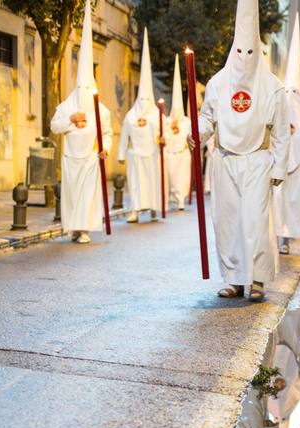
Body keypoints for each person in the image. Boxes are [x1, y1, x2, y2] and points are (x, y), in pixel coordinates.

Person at [190, 0, 290, 301]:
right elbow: (207, 118)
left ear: (256, 52)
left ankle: (257, 280)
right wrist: (197, 134)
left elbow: (282, 131)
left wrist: (279, 168)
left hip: (259, 161)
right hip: (225, 160)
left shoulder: (273, 87)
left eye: (250, 52)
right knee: (229, 221)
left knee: (256, 222)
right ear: (232, 51)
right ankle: (234, 280)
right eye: (239, 52)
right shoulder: (217, 84)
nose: (244, 58)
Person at [50, 0, 112, 245]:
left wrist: (105, 148)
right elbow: (55, 125)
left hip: (89, 158)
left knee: (86, 194)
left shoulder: (101, 109)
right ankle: (74, 228)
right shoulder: (67, 105)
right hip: (70, 158)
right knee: (73, 195)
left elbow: (107, 131)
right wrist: (70, 119)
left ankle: (84, 228)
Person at [273, 15, 300, 255]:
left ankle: (287, 237)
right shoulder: (275, 111)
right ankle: (277, 237)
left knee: (291, 205)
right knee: (277, 204)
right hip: (277, 166)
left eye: (294, 92)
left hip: (297, 169)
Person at [118, 29, 163, 223]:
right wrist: (120, 155)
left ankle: (153, 208)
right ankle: (135, 209)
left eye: (147, 98)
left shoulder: (156, 114)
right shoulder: (130, 116)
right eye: (141, 98)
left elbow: (162, 131)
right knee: (135, 184)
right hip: (135, 155)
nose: (144, 101)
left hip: (152, 155)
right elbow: (124, 135)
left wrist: (159, 135)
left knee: (152, 183)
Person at [165, 55, 191, 212]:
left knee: (181, 178)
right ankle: (170, 197)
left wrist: (179, 132)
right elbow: (163, 137)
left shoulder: (187, 122)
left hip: (182, 154)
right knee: (170, 177)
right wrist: (170, 132)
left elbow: (189, 137)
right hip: (170, 154)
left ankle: (181, 198)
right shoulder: (167, 122)